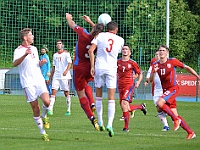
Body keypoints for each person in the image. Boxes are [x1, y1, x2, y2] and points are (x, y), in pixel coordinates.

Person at [150, 45, 199, 140]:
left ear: (167, 52)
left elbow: (187, 67)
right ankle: (190, 132)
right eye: (159, 50)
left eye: (163, 50)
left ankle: (176, 120)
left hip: (173, 88)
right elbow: (151, 80)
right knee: (173, 113)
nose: (161, 52)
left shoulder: (172, 61)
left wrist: (197, 75)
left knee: (159, 103)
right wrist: (154, 72)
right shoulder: (155, 64)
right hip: (165, 90)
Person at [65, 13, 104, 130]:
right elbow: (97, 33)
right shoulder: (98, 40)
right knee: (86, 84)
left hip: (79, 67)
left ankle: (91, 117)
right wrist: (91, 22)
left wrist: (68, 18)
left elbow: (72, 25)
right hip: (90, 66)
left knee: (80, 92)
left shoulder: (82, 32)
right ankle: (92, 103)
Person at [13, 28, 50, 141]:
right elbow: (15, 63)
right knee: (35, 108)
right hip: (28, 82)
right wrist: (25, 54)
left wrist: (41, 63)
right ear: (25, 38)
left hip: (38, 79)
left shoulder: (34, 48)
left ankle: (44, 116)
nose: (33, 36)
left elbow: (35, 64)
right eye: (30, 35)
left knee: (47, 102)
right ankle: (43, 132)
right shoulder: (18, 50)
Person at [88, 21, 124, 137]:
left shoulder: (99, 35)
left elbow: (90, 50)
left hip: (99, 67)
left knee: (98, 95)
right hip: (111, 69)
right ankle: (110, 123)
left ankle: (101, 121)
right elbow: (118, 51)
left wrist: (92, 66)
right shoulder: (120, 40)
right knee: (111, 97)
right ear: (116, 30)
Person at [117, 44, 147, 132]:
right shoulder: (117, 62)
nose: (125, 50)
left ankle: (126, 127)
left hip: (129, 85)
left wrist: (138, 81)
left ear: (130, 52)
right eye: (123, 49)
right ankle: (140, 107)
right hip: (120, 85)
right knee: (126, 107)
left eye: (126, 49)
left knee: (124, 103)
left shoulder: (132, 63)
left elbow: (140, 73)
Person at [145, 50, 170, 131]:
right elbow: (149, 78)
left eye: (158, 54)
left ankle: (173, 119)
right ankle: (166, 125)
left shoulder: (167, 64)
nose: (157, 56)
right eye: (156, 55)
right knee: (158, 108)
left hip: (166, 88)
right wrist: (148, 79)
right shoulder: (153, 66)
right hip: (157, 89)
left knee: (165, 105)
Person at [48, 40, 72, 116]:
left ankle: (68, 109)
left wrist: (66, 71)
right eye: (57, 44)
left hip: (64, 77)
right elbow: (54, 67)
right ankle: (50, 109)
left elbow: (70, 63)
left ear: (62, 45)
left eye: (60, 44)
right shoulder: (55, 55)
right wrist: (50, 78)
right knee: (53, 92)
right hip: (56, 76)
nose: (58, 45)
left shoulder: (66, 54)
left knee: (66, 93)